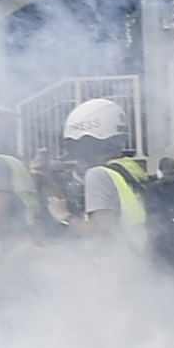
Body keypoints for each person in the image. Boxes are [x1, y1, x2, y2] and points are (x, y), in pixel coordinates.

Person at [65, 98, 151, 251]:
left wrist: (64, 218)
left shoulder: (97, 175)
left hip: (111, 268)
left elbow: (102, 238)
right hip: (138, 261)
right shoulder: (128, 168)